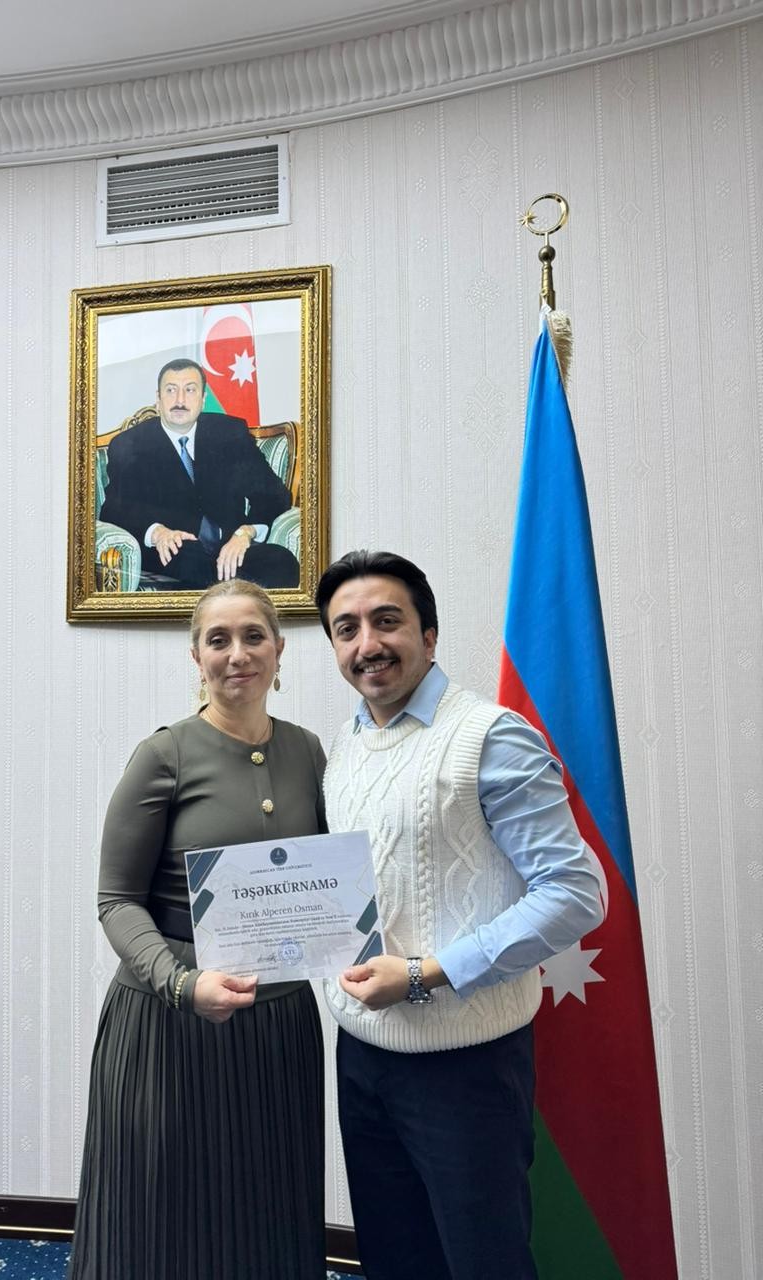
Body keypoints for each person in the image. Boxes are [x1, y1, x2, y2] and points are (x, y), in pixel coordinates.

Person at [314, 550, 605, 1280]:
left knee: (483, 1263)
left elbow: (575, 891)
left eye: (387, 621)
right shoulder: (346, 744)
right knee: (395, 1259)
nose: (367, 644)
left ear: (429, 634)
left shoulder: (490, 735)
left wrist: (425, 973)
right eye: (346, 629)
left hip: (466, 1069)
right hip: (362, 1057)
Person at [68, 579, 326, 1280]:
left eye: (253, 636)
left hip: (278, 1026)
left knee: (268, 1207)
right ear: (196, 657)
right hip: (168, 1026)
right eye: (219, 639)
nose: (237, 654)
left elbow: (327, 884)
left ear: (279, 650)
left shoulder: (309, 752)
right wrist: (183, 985)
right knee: (156, 1219)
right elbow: (117, 901)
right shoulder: (164, 755)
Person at [100, 358, 300, 588]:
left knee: (281, 562)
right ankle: (229, 597)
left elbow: (273, 495)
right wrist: (157, 533)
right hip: (174, 552)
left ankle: (231, 596)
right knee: (190, 562)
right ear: (158, 399)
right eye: (171, 390)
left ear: (203, 398)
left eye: (190, 390)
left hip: (231, 549)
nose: (180, 400)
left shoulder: (230, 434)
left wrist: (245, 533)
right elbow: (114, 510)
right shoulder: (130, 444)